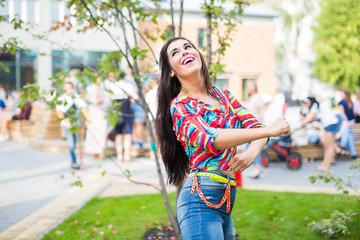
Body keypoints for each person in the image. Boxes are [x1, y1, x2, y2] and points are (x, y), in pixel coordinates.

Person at [155, 37, 290, 239]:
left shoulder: (223, 95)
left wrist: (251, 153)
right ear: (171, 72)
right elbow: (212, 139)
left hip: (225, 197)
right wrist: (270, 131)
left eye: (188, 47)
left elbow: (256, 127)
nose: (184, 52)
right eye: (175, 53)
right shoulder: (181, 106)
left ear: (198, 55)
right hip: (200, 201)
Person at [56, 82, 90, 169]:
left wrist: (87, 119)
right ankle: (74, 161)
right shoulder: (61, 98)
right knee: (71, 143)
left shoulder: (76, 97)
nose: (69, 90)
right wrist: (66, 122)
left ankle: (76, 159)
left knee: (75, 142)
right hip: (67, 123)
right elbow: (59, 111)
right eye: (66, 88)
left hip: (76, 122)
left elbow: (83, 107)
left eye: (70, 87)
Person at [301, 97, 340, 172]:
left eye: (306, 103)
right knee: (328, 146)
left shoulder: (315, 106)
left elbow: (310, 118)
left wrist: (299, 124)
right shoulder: (317, 105)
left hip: (330, 125)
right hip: (330, 125)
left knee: (329, 147)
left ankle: (327, 166)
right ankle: (325, 164)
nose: (305, 105)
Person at [104, 72, 136, 162]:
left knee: (118, 133)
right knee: (128, 133)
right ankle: (127, 155)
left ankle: (119, 156)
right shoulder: (128, 85)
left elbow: (109, 100)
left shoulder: (112, 86)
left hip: (116, 109)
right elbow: (134, 98)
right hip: (126, 109)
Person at [243, 79, 266, 178]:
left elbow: (261, 113)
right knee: (250, 148)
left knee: (249, 148)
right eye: (247, 86)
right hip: (251, 128)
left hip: (256, 128)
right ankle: (257, 168)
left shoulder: (257, 97)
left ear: (255, 86)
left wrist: (261, 127)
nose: (249, 88)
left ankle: (257, 167)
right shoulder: (252, 98)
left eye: (251, 86)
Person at [84, 78, 108, 160]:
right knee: (99, 131)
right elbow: (95, 101)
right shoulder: (95, 87)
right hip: (97, 112)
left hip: (97, 112)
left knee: (99, 131)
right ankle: (99, 151)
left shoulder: (98, 86)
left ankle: (98, 151)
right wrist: (105, 97)